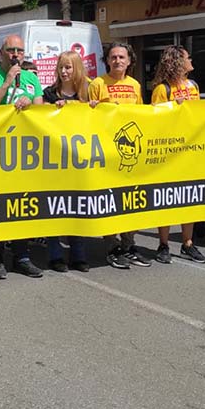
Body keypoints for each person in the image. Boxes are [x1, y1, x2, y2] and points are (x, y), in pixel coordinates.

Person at [0, 35, 44, 280]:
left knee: (21, 205)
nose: (16, 54)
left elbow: (41, 112)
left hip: (23, 154)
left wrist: (31, 104)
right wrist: (6, 83)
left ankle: (22, 256)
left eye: (20, 50)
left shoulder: (31, 78)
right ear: (2, 52)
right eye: (11, 50)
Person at [88, 42, 152, 270]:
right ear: (107, 60)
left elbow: (142, 115)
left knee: (131, 200)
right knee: (109, 200)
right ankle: (111, 247)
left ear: (129, 61)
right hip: (106, 152)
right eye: (113, 57)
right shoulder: (97, 84)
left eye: (121, 57)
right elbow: (86, 117)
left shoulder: (135, 85)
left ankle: (128, 245)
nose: (117, 61)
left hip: (130, 154)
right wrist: (92, 107)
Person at [151, 46, 205, 264]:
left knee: (189, 198)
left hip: (190, 151)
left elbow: (197, 116)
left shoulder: (193, 86)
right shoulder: (162, 89)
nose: (191, 60)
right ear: (176, 62)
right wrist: (173, 109)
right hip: (168, 151)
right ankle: (163, 244)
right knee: (166, 198)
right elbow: (154, 120)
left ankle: (188, 244)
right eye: (187, 57)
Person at [42, 51, 92, 273]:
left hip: (80, 161)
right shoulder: (49, 93)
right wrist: (50, 109)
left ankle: (78, 254)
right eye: (61, 67)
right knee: (54, 207)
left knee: (77, 207)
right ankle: (55, 255)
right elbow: (38, 120)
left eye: (68, 67)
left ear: (77, 69)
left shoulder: (88, 93)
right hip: (54, 162)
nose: (64, 71)